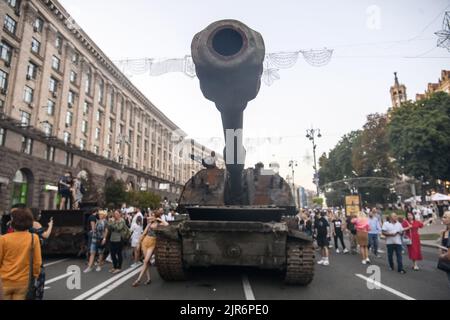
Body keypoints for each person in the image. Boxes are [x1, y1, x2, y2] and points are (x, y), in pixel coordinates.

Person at [0, 208, 41, 300]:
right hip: (23, 282)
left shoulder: (3, 239)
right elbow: (37, 262)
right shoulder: (34, 238)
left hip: (4, 282)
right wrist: (35, 276)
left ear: (12, 223)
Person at [132, 211, 169, 287]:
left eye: (152, 215)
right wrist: (139, 243)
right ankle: (148, 279)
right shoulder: (149, 224)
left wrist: (159, 219)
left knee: (145, 261)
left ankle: (138, 279)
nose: (150, 217)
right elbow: (144, 233)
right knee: (146, 261)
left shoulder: (159, 224)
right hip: (145, 242)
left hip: (152, 243)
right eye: (151, 215)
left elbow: (167, 224)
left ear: (156, 216)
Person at [101, 210, 129, 274]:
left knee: (118, 253)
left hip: (119, 239)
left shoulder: (122, 220)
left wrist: (112, 223)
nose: (115, 215)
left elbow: (119, 228)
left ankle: (119, 268)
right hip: (112, 238)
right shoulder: (113, 220)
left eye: (116, 213)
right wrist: (110, 223)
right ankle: (114, 266)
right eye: (115, 213)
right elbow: (109, 227)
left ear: (120, 214)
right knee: (112, 254)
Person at [439, 211, 450, 289]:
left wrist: (442, 256)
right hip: (447, 263)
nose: (443, 218)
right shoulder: (444, 232)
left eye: (445, 217)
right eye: (443, 216)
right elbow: (441, 246)